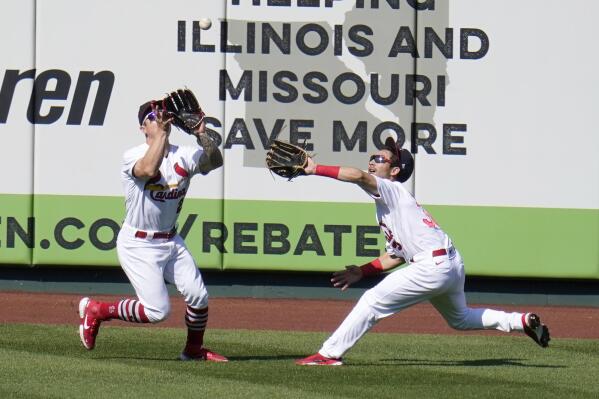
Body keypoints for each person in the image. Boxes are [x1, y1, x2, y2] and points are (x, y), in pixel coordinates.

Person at [295, 137, 550, 366]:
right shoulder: (390, 204)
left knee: (372, 301)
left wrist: (315, 169)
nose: (372, 162)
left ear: (394, 171)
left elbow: (359, 177)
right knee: (460, 319)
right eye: (372, 157)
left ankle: (328, 355)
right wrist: (362, 271)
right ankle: (521, 321)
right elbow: (395, 255)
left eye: (380, 159)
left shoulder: (390, 188)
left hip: (432, 266)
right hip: (449, 263)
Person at [78, 97, 227, 362]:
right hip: (138, 244)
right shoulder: (132, 155)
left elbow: (214, 161)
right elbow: (148, 169)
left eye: (162, 116)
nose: (158, 120)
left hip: (170, 240)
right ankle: (98, 309)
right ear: (142, 128)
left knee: (199, 296)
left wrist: (201, 134)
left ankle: (193, 351)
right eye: (152, 117)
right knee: (157, 311)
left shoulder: (182, 154)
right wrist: (160, 135)